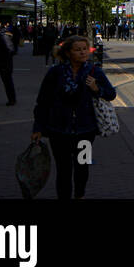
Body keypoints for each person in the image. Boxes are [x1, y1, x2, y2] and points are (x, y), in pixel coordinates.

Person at [32, 34, 117, 199]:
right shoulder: (55, 73)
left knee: (82, 167)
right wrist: (38, 128)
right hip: (58, 131)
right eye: (78, 50)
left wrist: (96, 89)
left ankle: (79, 195)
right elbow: (43, 102)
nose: (83, 53)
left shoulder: (95, 72)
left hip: (86, 131)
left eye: (85, 49)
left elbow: (111, 94)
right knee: (63, 170)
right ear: (68, 53)